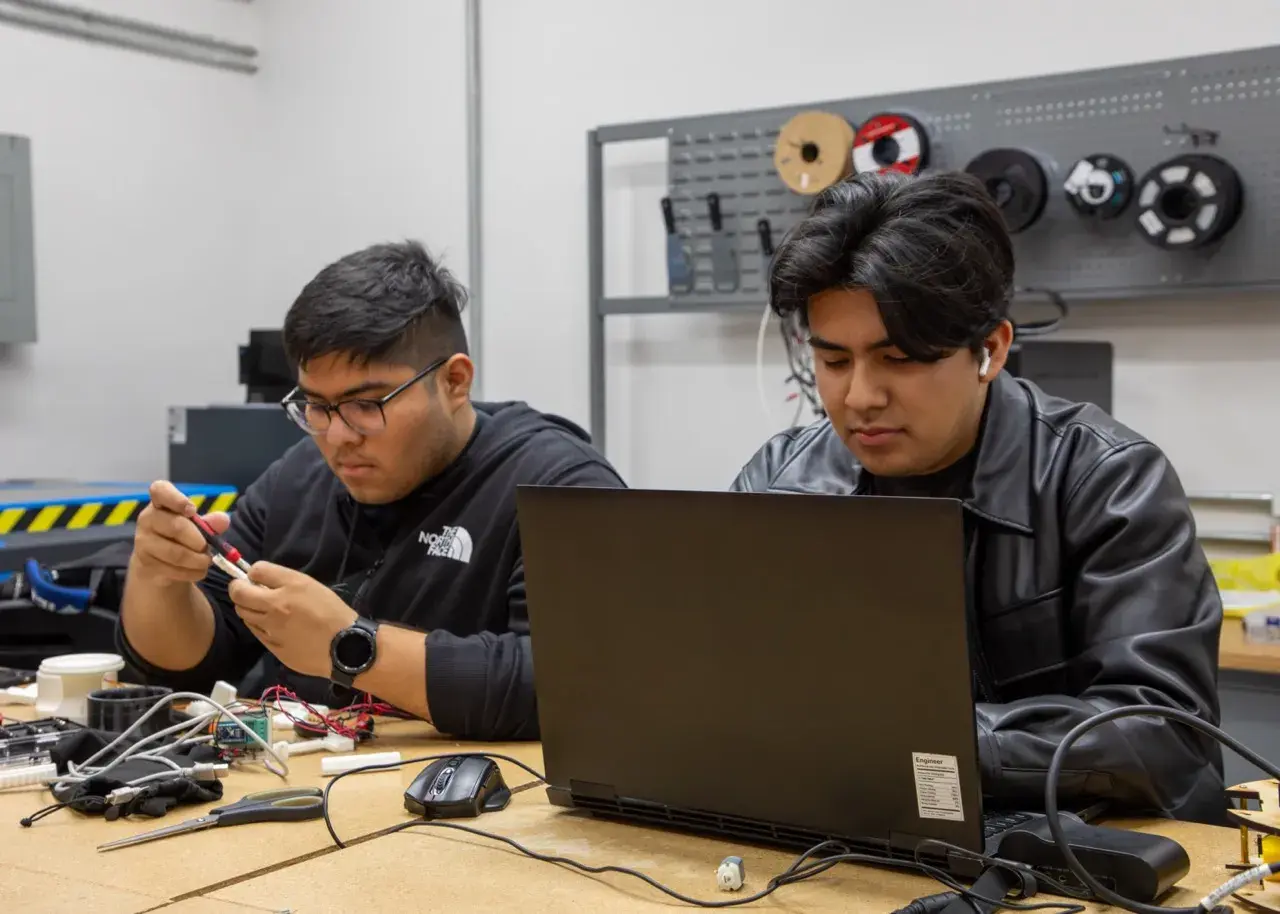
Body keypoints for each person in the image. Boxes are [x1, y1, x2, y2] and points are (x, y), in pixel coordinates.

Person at [731, 170, 1225, 823]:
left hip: (1062, 858)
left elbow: (1164, 738)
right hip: (848, 837)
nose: (860, 398)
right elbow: (728, 689)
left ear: (990, 348)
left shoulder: (1109, 484)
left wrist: (926, 750)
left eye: (899, 359)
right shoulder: (780, 485)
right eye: (835, 361)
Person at [117, 241, 625, 741]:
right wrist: (158, 578)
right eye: (316, 405)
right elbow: (185, 669)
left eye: (367, 404)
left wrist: (352, 648)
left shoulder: (554, 485)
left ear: (454, 382)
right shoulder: (299, 478)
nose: (338, 437)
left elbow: (581, 683)